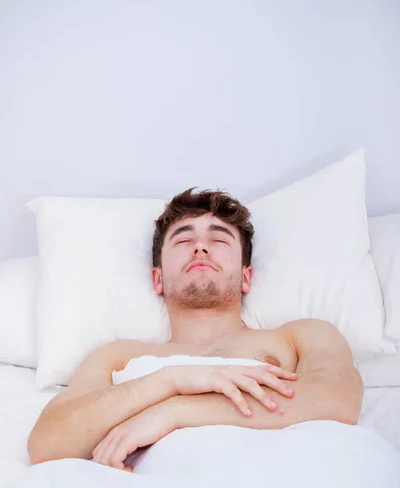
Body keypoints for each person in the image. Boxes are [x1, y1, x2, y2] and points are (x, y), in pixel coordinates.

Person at [27, 188, 364, 472]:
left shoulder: (299, 336)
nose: (201, 247)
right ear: (157, 279)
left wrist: (174, 411)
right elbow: (47, 443)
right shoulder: (118, 356)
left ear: (247, 276)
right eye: (183, 239)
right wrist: (171, 379)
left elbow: (339, 398)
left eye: (219, 239)